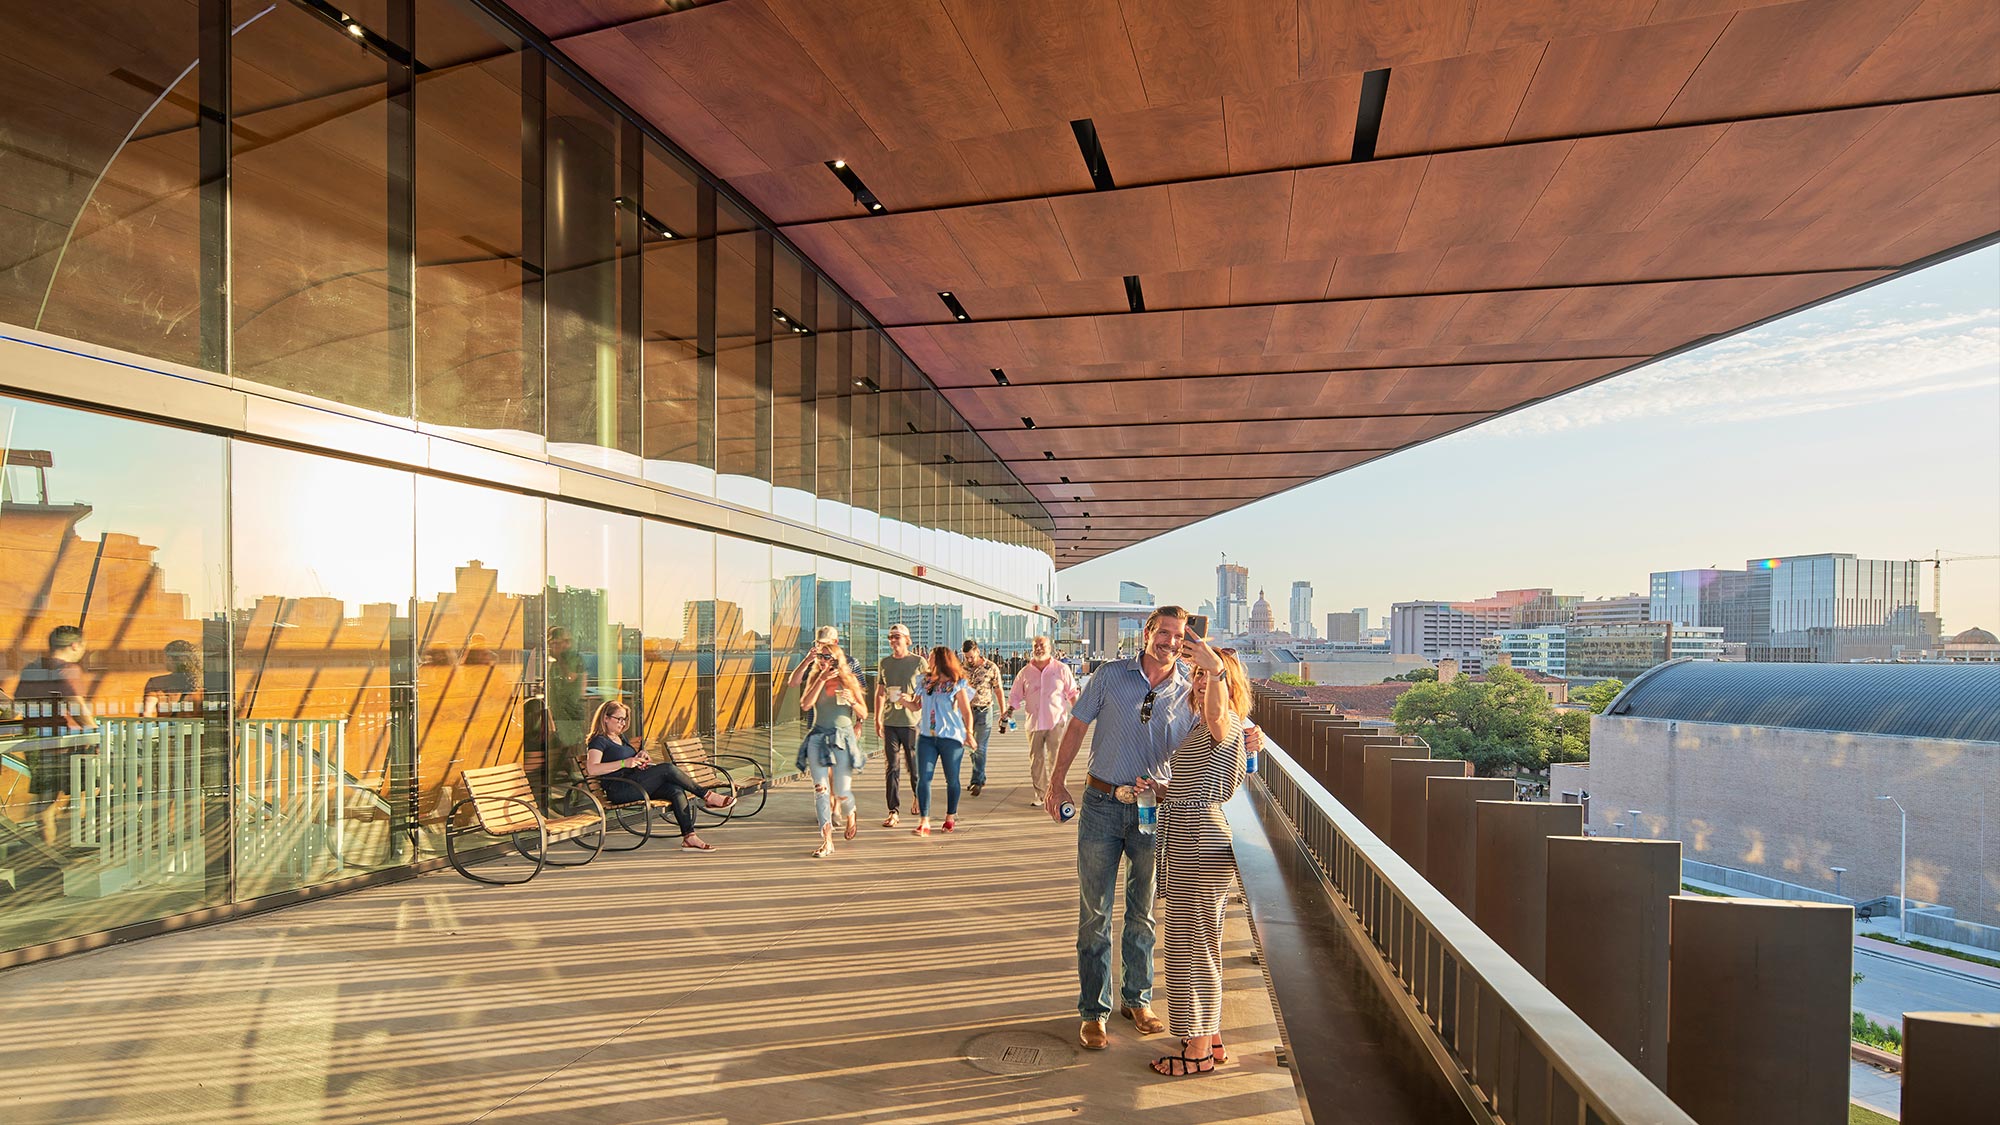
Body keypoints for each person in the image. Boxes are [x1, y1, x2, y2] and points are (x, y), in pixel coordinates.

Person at [1044, 606, 1263, 1051]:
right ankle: (1093, 1011)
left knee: (1143, 913)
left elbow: (1226, 721)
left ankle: (1138, 1000)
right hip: (1102, 803)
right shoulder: (1108, 676)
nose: (1169, 641)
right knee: (1095, 915)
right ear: (1147, 633)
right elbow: (1076, 727)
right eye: (1162, 632)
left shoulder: (1193, 685)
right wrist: (1056, 782)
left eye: (1178, 635)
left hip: (1155, 811)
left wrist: (1254, 736)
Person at [1142, 642, 1248, 1077]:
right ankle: (1211, 1036)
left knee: (1190, 949)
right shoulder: (1201, 728)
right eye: (1198, 676)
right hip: (1188, 835)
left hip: (1200, 842)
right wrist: (1162, 790)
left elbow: (1222, 715)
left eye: (1210, 676)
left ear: (1227, 682)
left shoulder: (1225, 723)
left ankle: (1198, 1050)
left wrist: (1215, 669)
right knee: (1203, 944)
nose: (1201, 682)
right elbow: (1196, 783)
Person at [582, 700, 733, 851]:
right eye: (619, 719)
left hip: (635, 784)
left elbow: (629, 762)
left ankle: (689, 837)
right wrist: (624, 763)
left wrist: (640, 757)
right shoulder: (598, 741)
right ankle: (707, 795)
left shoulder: (621, 738)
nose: (622, 723)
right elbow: (592, 769)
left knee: (675, 789)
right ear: (605, 718)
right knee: (667, 768)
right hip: (620, 790)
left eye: (625, 719)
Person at [11, 624, 96, 846]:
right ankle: (76, 844)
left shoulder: (31, 669)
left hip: (38, 742)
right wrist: (95, 732)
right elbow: (76, 705)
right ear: (75, 645)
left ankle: (48, 852)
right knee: (89, 788)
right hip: (67, 743)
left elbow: (19, 705)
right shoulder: (67, 669)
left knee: (45, 800)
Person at [797, 627, 868, 858]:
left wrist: (853, 703)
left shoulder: (849, 680)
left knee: (841, 789)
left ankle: (851, 812)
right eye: (820, 656)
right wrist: (820, 679)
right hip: (818, 737)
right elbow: (806, 705)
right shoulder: (815, 677)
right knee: (820, 789)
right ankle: (827, 840)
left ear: (837, 659)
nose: (822, 660)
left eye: (827, 656)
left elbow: (864, 712)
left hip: (842, 737)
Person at [1005, 634, 1079, 807]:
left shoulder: (1061, 669)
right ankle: (1040, 794)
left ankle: (1058, 791)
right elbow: (1015, 695)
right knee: (1036, 760)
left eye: (1042, 645)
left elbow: (1072, 693)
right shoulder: (1025, 672)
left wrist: (1079, 715)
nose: (1038, 648)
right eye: (1035, 645)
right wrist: (1008, 712)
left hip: (1056, 722)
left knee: (1057, 759)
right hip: (1034, 723)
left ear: (1050, 648)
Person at [908, 646, 976, 836]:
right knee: (924, 778)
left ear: (940, 660)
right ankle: (924, 821)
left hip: (951, 738)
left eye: (931, 657)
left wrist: (969, 733)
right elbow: (915, 705)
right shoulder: (924, 681)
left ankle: (950, 817)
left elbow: (966, 711)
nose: (928, 660)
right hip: (927, 737)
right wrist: (901, 701)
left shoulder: (956, 683)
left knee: (952, 779)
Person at [872, 623, 923, 828]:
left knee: (913, 766)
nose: (893, 641)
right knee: (891, 767)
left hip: (911, 722)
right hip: (890, 721)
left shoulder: (919, 662)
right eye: (890, 637)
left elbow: (925, 689)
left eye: (897, 637)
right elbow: (880, 693)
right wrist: (877, 719)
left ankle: (918, 796)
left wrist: (910, 698)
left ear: (907, 639)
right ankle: (893, 811)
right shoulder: (884, 663)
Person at [959, 640, 1005, 797]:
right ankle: (980, 776)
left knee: (980, 747)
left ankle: (976, 781)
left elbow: (998, 690)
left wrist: (1003, 712)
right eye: (966, 657)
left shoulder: (990, 667)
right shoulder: (961, 668)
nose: (969, 660)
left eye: (971, 656)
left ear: (977, 651)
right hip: (967, 712)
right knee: (971, 747)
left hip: (985, 710)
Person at [141, 639, 203, 718]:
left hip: (166, 729)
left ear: (170, 659)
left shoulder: (157, 683)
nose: (164, 662)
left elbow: (146, 714)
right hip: (195, 729)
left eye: (165, 658)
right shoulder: (201, 684)